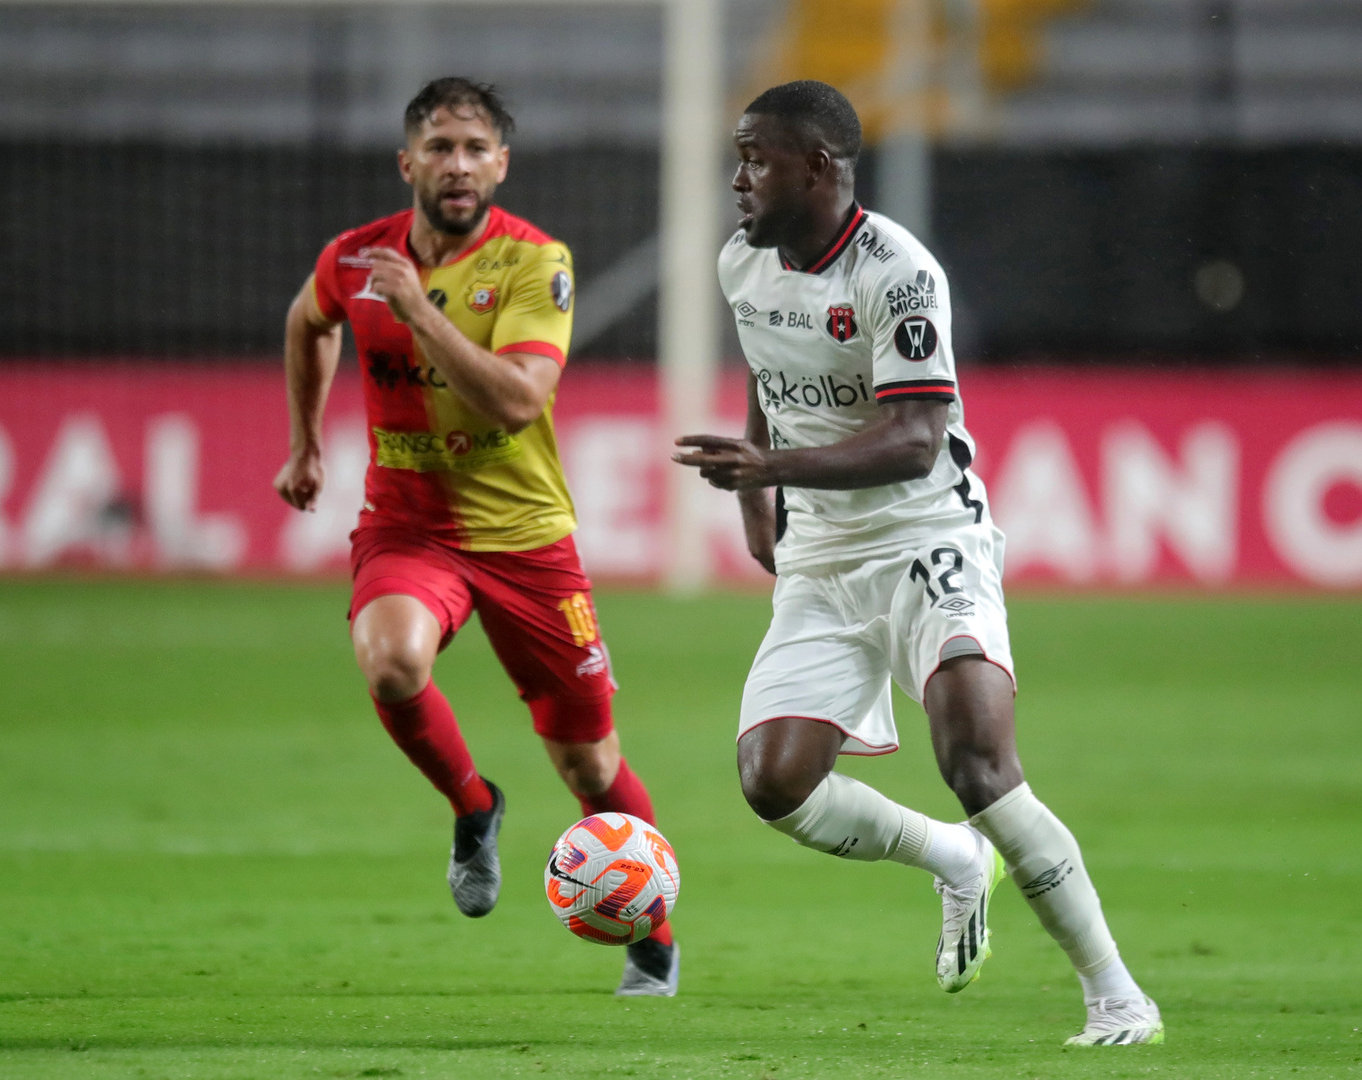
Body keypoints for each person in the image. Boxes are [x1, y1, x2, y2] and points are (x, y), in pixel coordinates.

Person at [672, 80, 1162, 1046]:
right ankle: (950, 859)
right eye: (738, 157)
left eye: (756, 158)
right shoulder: (742, 262)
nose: (737, 179)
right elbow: (771, 380)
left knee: (978, 763)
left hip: (927, 537)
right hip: (819, 558)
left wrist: (770, 468)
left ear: (817, 166)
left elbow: (912, 438)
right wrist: (755, 490)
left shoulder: (897, 275)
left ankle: (1117, 996)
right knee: (775, 782)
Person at [273, 77, 677, 996]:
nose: (458, 164)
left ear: (502, 164)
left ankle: (650, 931)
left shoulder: (537, 263)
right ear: (407, 161)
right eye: (441, 146)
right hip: (408, 527)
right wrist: (304, 444)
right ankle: (475, 805)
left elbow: (520, 397)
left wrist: (419, 311)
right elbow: (309, 321)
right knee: (391, 664)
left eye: (475, 148)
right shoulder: (355, 257)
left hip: (528, 539)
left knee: (590, 762)